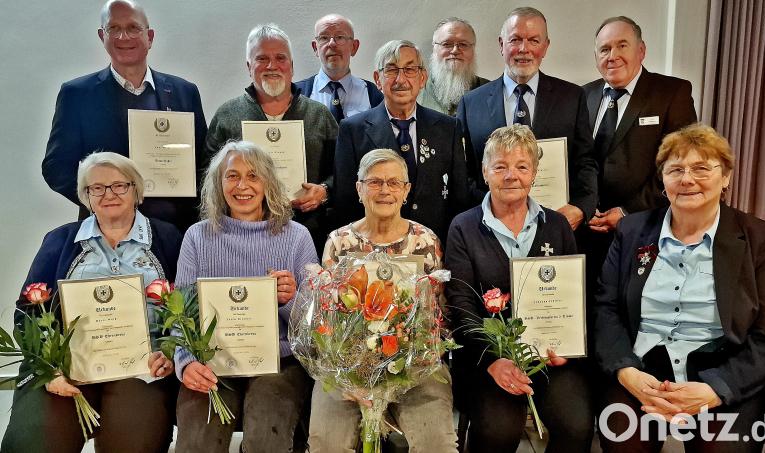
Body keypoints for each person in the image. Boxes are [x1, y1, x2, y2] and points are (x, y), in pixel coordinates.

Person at [595, 124, 765, 452]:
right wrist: (626, 371)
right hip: (642, 371)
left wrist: (717, 388)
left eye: (701, 168)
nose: (687, 179)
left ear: (725, 176)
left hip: (723, 371)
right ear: (663, 179)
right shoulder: (632, 231)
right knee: (623, 441)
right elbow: (606, 309)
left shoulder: (759, 239)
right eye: (676, 170)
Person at [2, 152, 182, 453]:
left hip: (142, 369)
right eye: (97, 187)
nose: (108, 194)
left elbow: (188, 304)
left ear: (136, 190)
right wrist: (48, 369)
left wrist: (169, 352)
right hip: (66, 368)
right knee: (32, 443)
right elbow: (28, 311)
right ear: (86, 196)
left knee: (134, 444)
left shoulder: (168, 237)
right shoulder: (59, 240)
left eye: (119, 185)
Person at [445, 125, 594, 453]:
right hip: (485, 359)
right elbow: (460, 304)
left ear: (535, 173)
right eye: (500, 166)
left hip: (549, 358)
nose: (511, 175)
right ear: (485, 172)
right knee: (498, 430)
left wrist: (565, 346)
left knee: (576, 424)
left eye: (522, 166)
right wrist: (494, 360)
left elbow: (574, 296)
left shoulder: (557, 225)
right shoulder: (463, 227)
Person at [172, 140, 318, 452]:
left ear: (268, 182)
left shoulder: (297, 237)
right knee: (198, 442)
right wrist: (185, 362)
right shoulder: (196, 237)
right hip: (211, 362)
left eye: (253, 176)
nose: (242, 186)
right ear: (218, 183)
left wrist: (290, 299)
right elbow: (180, 316)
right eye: (232, 176)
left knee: (266, 438)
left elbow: (315, 327)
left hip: (279, 363)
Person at [309, 149, 456, 452]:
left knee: (437, 444)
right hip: (347, 368)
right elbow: (326, 319)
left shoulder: (426, 241)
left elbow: (437, 318)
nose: (385, 190)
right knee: (326, 442)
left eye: (394, 183)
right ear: (359, 189)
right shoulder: (339, 242)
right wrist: (350, 373)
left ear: (406, 190)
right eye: (374, 182)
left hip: (417, 367)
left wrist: (411, 365)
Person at [579, 15, 699, 363]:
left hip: (646, 231)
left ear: (641, 50)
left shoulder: (671, 93)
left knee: (633, 319)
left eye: (622, 45)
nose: (612, 55)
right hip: (589, 231)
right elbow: (578, 160)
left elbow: (678, 164)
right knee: (592, 317)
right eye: (604, 49)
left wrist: (629, 213)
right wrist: (584, 207)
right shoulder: (584, 95)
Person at [42, 0, 207, 231]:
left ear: (150, 37)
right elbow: (56, 167)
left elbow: (203, 164)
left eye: (133, 28)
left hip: (176, 229)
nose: (123, 37)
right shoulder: (77, 94)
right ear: (102, 36)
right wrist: (101, 199)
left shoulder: (185, 92)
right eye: (114, 28)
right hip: (107, 231)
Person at [456, 7, 598, 230]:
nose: (524, 49)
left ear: (546, 46)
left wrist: (581, 208)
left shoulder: (572, 97)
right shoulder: (471, 103)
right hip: (490, 227)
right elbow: (464, 171)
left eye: (534, 40)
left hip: (555, 224)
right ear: (501, 44)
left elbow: (585, 161)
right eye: (515, 40)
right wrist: (491, 209)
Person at [205, 23, 338, 252]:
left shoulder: (319, 115)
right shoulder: (227, 115)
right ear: (249, 66)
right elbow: (207, 175)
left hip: (308, 233)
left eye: (280, 58)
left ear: (292, 66)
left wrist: (324, 191)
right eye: (262, 59)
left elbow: (342, 171)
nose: (272, 65)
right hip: (238, 238)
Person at [333, 40, 469, 243]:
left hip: (434, 246)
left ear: (422, 78)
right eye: (391, 70)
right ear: (378, 79)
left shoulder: (448, 128)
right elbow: (345, 201)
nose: (401, 79)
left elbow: (460, 199)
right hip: (373, 249)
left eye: (410, 69)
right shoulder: (352, 130)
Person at [296, 14, 384, 122]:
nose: (332, 44)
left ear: (354, 47)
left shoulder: (373, 94)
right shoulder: (295, 94)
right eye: (324, 38)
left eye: (340, 37)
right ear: (315, 48)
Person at [418, 17, 489, 116]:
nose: (455, 50)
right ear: (434, 48)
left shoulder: (491, 91)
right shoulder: (415, 91)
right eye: (447, 44)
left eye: (463, 44)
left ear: (473, 49)